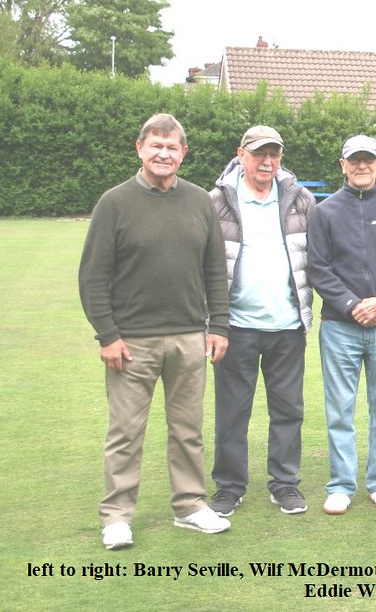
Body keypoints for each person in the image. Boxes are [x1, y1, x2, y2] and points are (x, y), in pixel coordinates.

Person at [79, 113, 231, 551]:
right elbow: (93, 276)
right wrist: (107, 334)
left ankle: (190, 505)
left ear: (183, 153)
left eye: (172, 147)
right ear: (140, 149)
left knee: (188, 429)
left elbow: (215, 271)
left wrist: (218, 325)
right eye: (156, 146)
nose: (164, 154)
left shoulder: (201, 201)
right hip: (131, 341)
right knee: (126, 431)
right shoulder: (115, 202)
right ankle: (116, 516)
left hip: (188, 337)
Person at [308, 135, 376, 515]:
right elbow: (318, 269)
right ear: (343, 165)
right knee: (340, 409)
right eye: (354, 160)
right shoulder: (324, 213)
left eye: (368, 160)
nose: (361, 166)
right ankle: (340, 485)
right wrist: (353, 304)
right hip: (340, 327)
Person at [207, 126, 316, 518]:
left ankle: (284, 484)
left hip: (287, 324)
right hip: (235, 326)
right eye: (259, 154)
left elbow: (318, 256)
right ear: (241, 154)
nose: (267, 162)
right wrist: (213, 322)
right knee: (233, 412)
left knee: (288, 410)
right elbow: (203, 262)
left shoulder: (300, 199)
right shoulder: (217, 200)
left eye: (274, 154)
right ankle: (229, 487)